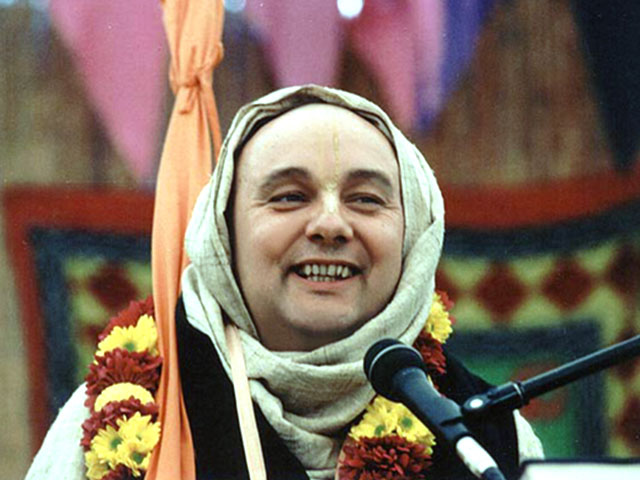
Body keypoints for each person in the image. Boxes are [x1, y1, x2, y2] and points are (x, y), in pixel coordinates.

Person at [26, 85, 542, 480]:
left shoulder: (488, 437)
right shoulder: (116, 412)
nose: (331, 225)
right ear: (225, 236)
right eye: (289, 197)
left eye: (366, 199)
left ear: (415, 235)